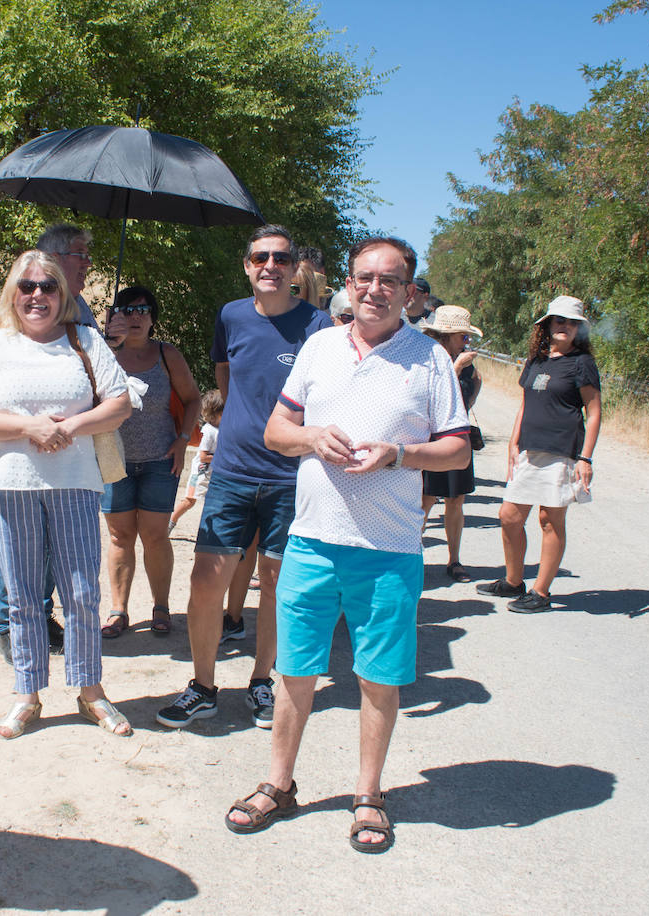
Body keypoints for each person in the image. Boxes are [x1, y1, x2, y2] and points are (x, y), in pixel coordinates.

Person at [223, 236, 469, 853]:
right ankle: (279, 785)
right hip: (310, 540)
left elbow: (459, 447)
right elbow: (278, 430)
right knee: (294, 671)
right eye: (365, 277)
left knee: (378, 678)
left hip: (388, 549)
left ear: (410, 292)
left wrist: (399, 454)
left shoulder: (431, 361)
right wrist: (309, 438)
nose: (375, 289)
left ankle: (368, 796)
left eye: (390, 280)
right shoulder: (319, 346)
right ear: (349, 283)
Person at [156, 225, 332, 730]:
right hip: (233, 470)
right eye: (260, 257)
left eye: (280, 258)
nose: (270, 266)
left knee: (275, 585)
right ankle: (203, 686)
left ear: (295, 267)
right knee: (206, 582)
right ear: (247, 264)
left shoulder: (318, 326)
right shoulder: (230, 315)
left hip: (290, 476)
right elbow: (227, 382)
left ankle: (260, 682)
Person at [0, 249, 134, 740]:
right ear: (12, 292)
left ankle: (90, 691)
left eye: (49, 287)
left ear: (64, 294)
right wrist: (30, 428)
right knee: (22, 595)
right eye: (27, 286)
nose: (37, 296)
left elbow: (118, 404)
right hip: (11, 484)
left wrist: (72, 425)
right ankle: (26, 694)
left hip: (76, 484)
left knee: (81, 592)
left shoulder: (86, 341)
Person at [0, 223, 100, 660]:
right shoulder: (7, 333)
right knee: (17, 545)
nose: (87, 262)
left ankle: (41, 617)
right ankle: (9, 624)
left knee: (57, 547)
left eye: (87, 254)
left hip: (72, 461)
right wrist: (32, 426)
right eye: (78, 253)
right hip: (19, 462)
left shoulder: (82, 312)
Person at [477, 295, 600, 614]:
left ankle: (541, 593)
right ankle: (513, 581)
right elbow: (525, 405)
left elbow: (595, 411)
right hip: (529, 451)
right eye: (560, 320)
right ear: (547, 325)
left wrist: (585, 459)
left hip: (562, 452)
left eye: (573, 323)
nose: (566, 326)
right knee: (509, 516)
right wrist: (512, 445)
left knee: (550, 519)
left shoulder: (582, 363)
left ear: (579, 330)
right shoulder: (536, 360)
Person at [100, 285, 200, 638]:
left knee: (156, 537)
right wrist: (107, 347)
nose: (136, 317)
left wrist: (182, 439)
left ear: (154, 318)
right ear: (115, 317)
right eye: (128, 310)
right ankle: (118, 611)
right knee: (119, 536)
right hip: (113, 461)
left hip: (161, 461)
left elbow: (192, 400)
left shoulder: (166, 354)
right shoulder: (101, 354)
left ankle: (161, 607)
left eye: (143, 310)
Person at [419, 305, 484, 582]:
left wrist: (469, 376)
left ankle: (454, 560)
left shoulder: (469, 369)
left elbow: (464, 404)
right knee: (425, 500)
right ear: (446, 335)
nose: (466, 342)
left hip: (457, 441)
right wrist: (456, 368)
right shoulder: (428, 360)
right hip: (432, 442)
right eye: (462, 336)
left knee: (457, 500)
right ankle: (407, 553)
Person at [169, 389, 223, 532]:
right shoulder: (209, 431)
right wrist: (223, 458)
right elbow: (203, 456)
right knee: (189, 500)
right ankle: (171, 521)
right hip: (201, 472)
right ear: (218, 412)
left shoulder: (222, 428)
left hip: (213, 472)